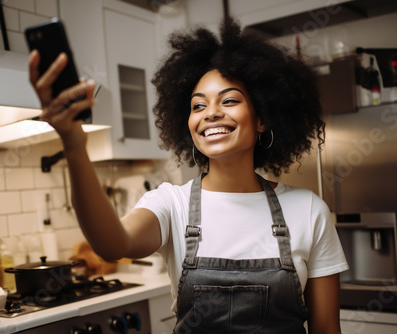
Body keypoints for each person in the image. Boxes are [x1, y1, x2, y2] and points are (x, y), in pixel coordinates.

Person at [29, 16, 348, 334]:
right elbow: (113, 245)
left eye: (230, 100)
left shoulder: (308, 210)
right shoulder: (171, 204)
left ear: (262, 118)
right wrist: (73, 144)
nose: (211, 113)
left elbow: (326, 330)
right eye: (198, 106)